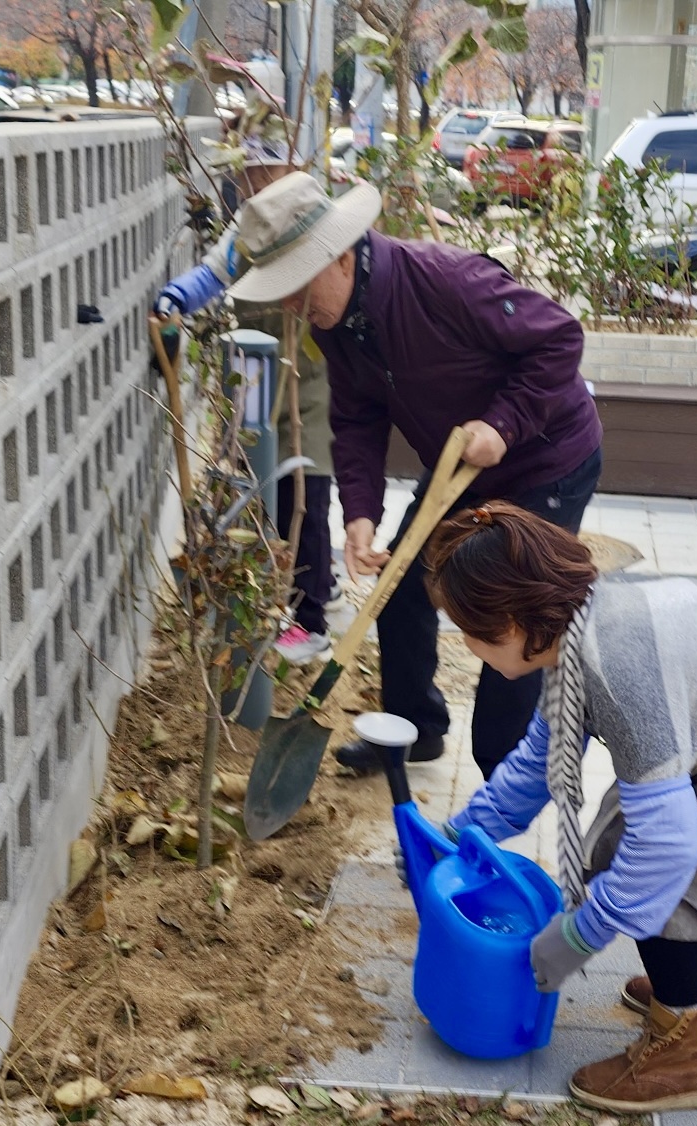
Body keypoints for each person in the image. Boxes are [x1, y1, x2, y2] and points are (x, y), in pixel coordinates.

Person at [422, 501, 697, 1114]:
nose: (468, 645)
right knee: (653, 832)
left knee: (633, 851)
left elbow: (663, 853)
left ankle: (689, 1051)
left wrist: (577, 936)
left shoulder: (616, 662)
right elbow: (540, 759)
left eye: (469, 630)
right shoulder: (582, 626)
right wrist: (455, 835)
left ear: (510, 619)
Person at [228, 171, 603, 778]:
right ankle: (411, 733)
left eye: (298, 288)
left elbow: (559, 340)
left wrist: (503, 426)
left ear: (341, 257)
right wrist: (360, 513)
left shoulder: (447, 281)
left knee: (509, 614)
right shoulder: (340, 325)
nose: (293, 307)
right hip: (462, 468)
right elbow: (356, 418)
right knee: (400, 586)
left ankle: (500, 776)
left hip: (545, 459)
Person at [154, 131, 339, 665]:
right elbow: (211, 274)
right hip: (253, 387)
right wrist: (176, 298)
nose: (255, 183)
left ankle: (311, 620)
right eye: (248, 174)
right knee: (257, 503)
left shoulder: (314, 219)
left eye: (267, 171)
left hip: (310, 388)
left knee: (309, 496)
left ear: (292, 169)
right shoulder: (245, 231)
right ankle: (258, 606)